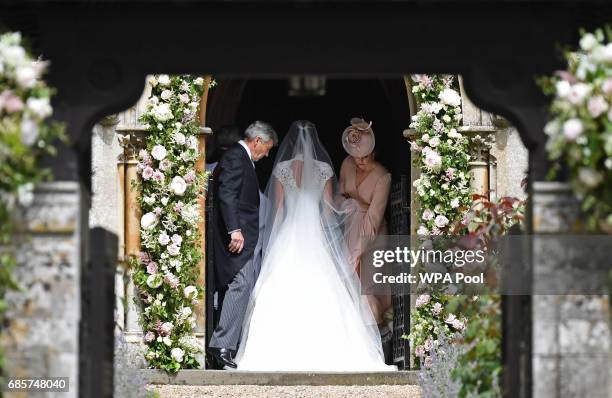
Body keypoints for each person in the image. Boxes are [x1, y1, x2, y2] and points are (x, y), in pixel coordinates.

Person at [234, 120, 395, 371]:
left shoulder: (283, 169)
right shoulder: (323, 169)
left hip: (289, 231)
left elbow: (277, 211)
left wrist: (274, 239)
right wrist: (320, 227)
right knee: (326, 284)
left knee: (279, 284)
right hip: (314, 231)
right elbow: (330, 210)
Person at [208, 121, 277, 369]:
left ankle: (223, 343)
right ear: (257, 141)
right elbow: (227, 194)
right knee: (241, 283)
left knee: (241, 284)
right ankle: (222, 345)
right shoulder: (237, 156)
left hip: (243, 237)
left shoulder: (241, 157)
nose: (267, 154)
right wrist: (234, 230)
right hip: (237, 238)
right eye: (267, 148)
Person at [338, 118, 392, 328]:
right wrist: (344, 204)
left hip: (373, 233)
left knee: (368, 284)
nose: (359, 161)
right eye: (356, 156)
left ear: (374, 152)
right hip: (350, 226)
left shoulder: (383, 176)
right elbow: (339, 194)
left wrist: (359, 250)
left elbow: (374, 217)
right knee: (348, 281)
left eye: (365, 156)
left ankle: (375, 333)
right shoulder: (347, 164)